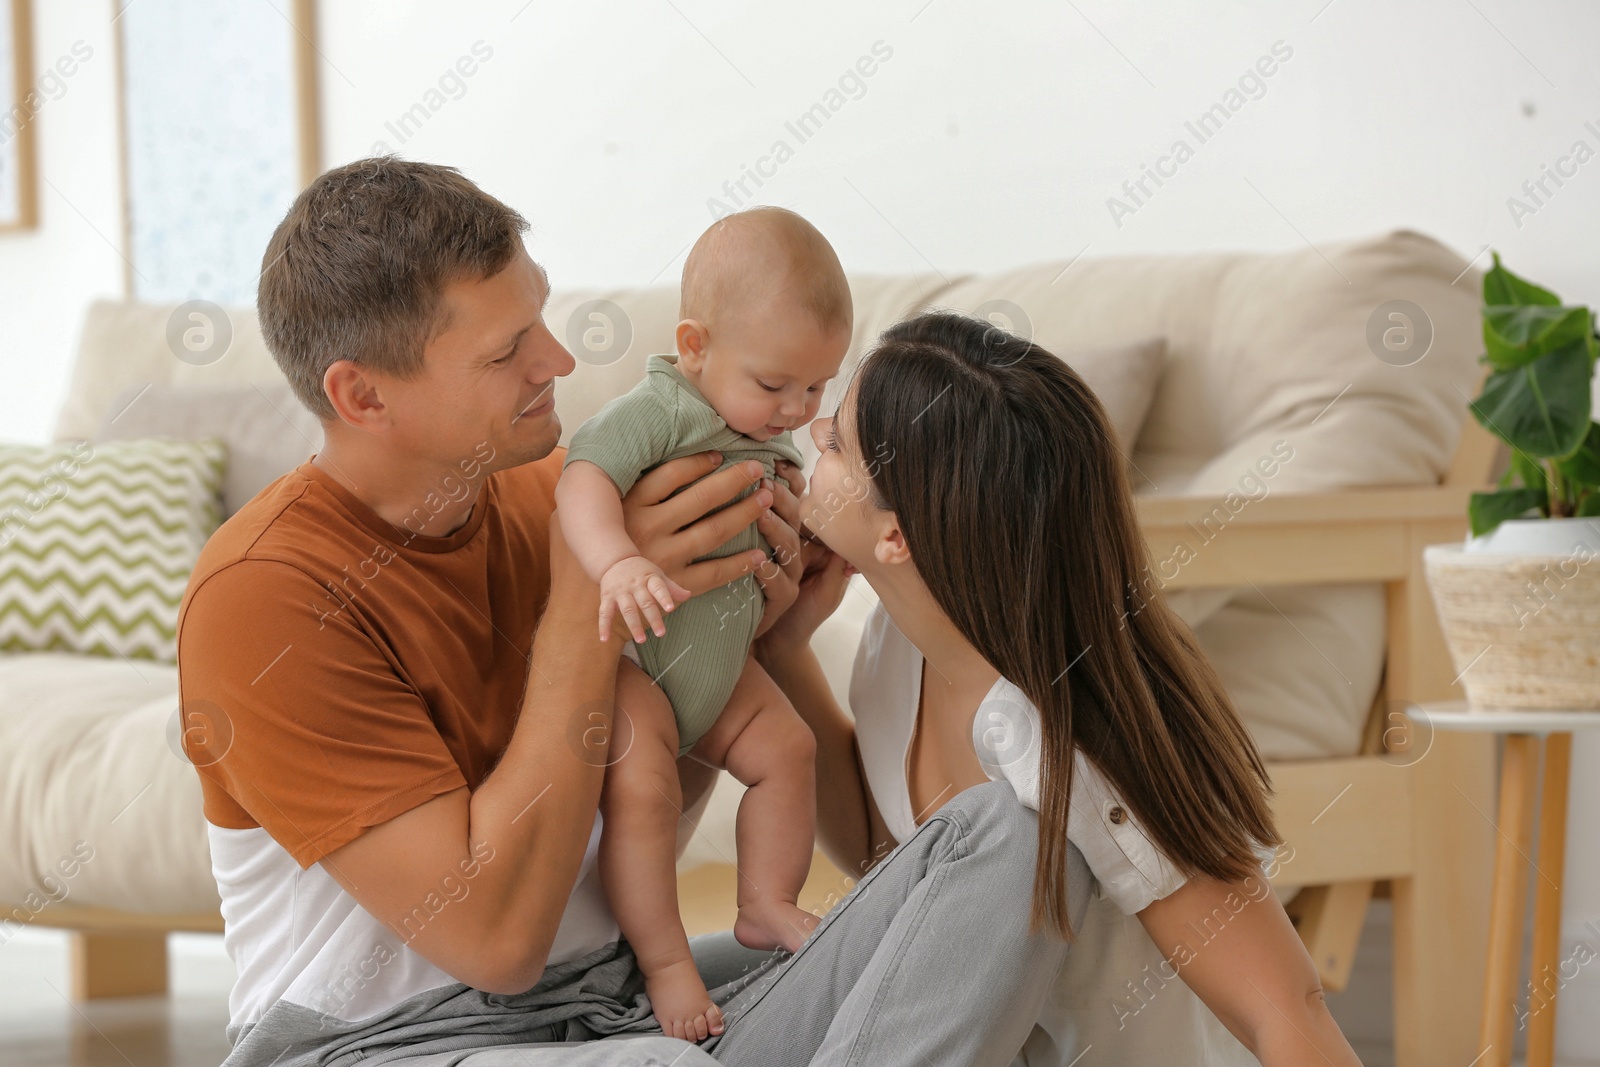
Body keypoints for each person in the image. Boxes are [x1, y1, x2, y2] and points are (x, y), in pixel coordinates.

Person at [177, 157, 1096, 1067]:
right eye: (506, 351)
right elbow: (499, 942)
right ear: (362, 396)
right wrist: (589, 599)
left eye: (539, 316)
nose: (559, 361)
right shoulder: (267, 597)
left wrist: (762, 637)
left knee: (1009, 845)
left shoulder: (557, 492)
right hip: (402, 1042)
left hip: (616, 1005)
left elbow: (643, 794)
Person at [746, 310, 1365, 1065]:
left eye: (838, 442)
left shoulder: (1074, 747)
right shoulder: (898, 641)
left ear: (897, 534)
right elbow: (896, 867)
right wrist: (783, 649)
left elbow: (1288, 1008)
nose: (813, 437)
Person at [555, 207, 850, 1041]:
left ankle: (762, 900)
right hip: (641, 664)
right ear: (695, 346)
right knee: (643, 795)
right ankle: (667, 963)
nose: (794, 407)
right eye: (773, 384)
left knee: (789, 750)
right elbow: (584, 477)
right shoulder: (666, 409)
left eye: (817, 387)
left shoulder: (774, 438)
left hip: (725, 663)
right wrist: (616, 561)